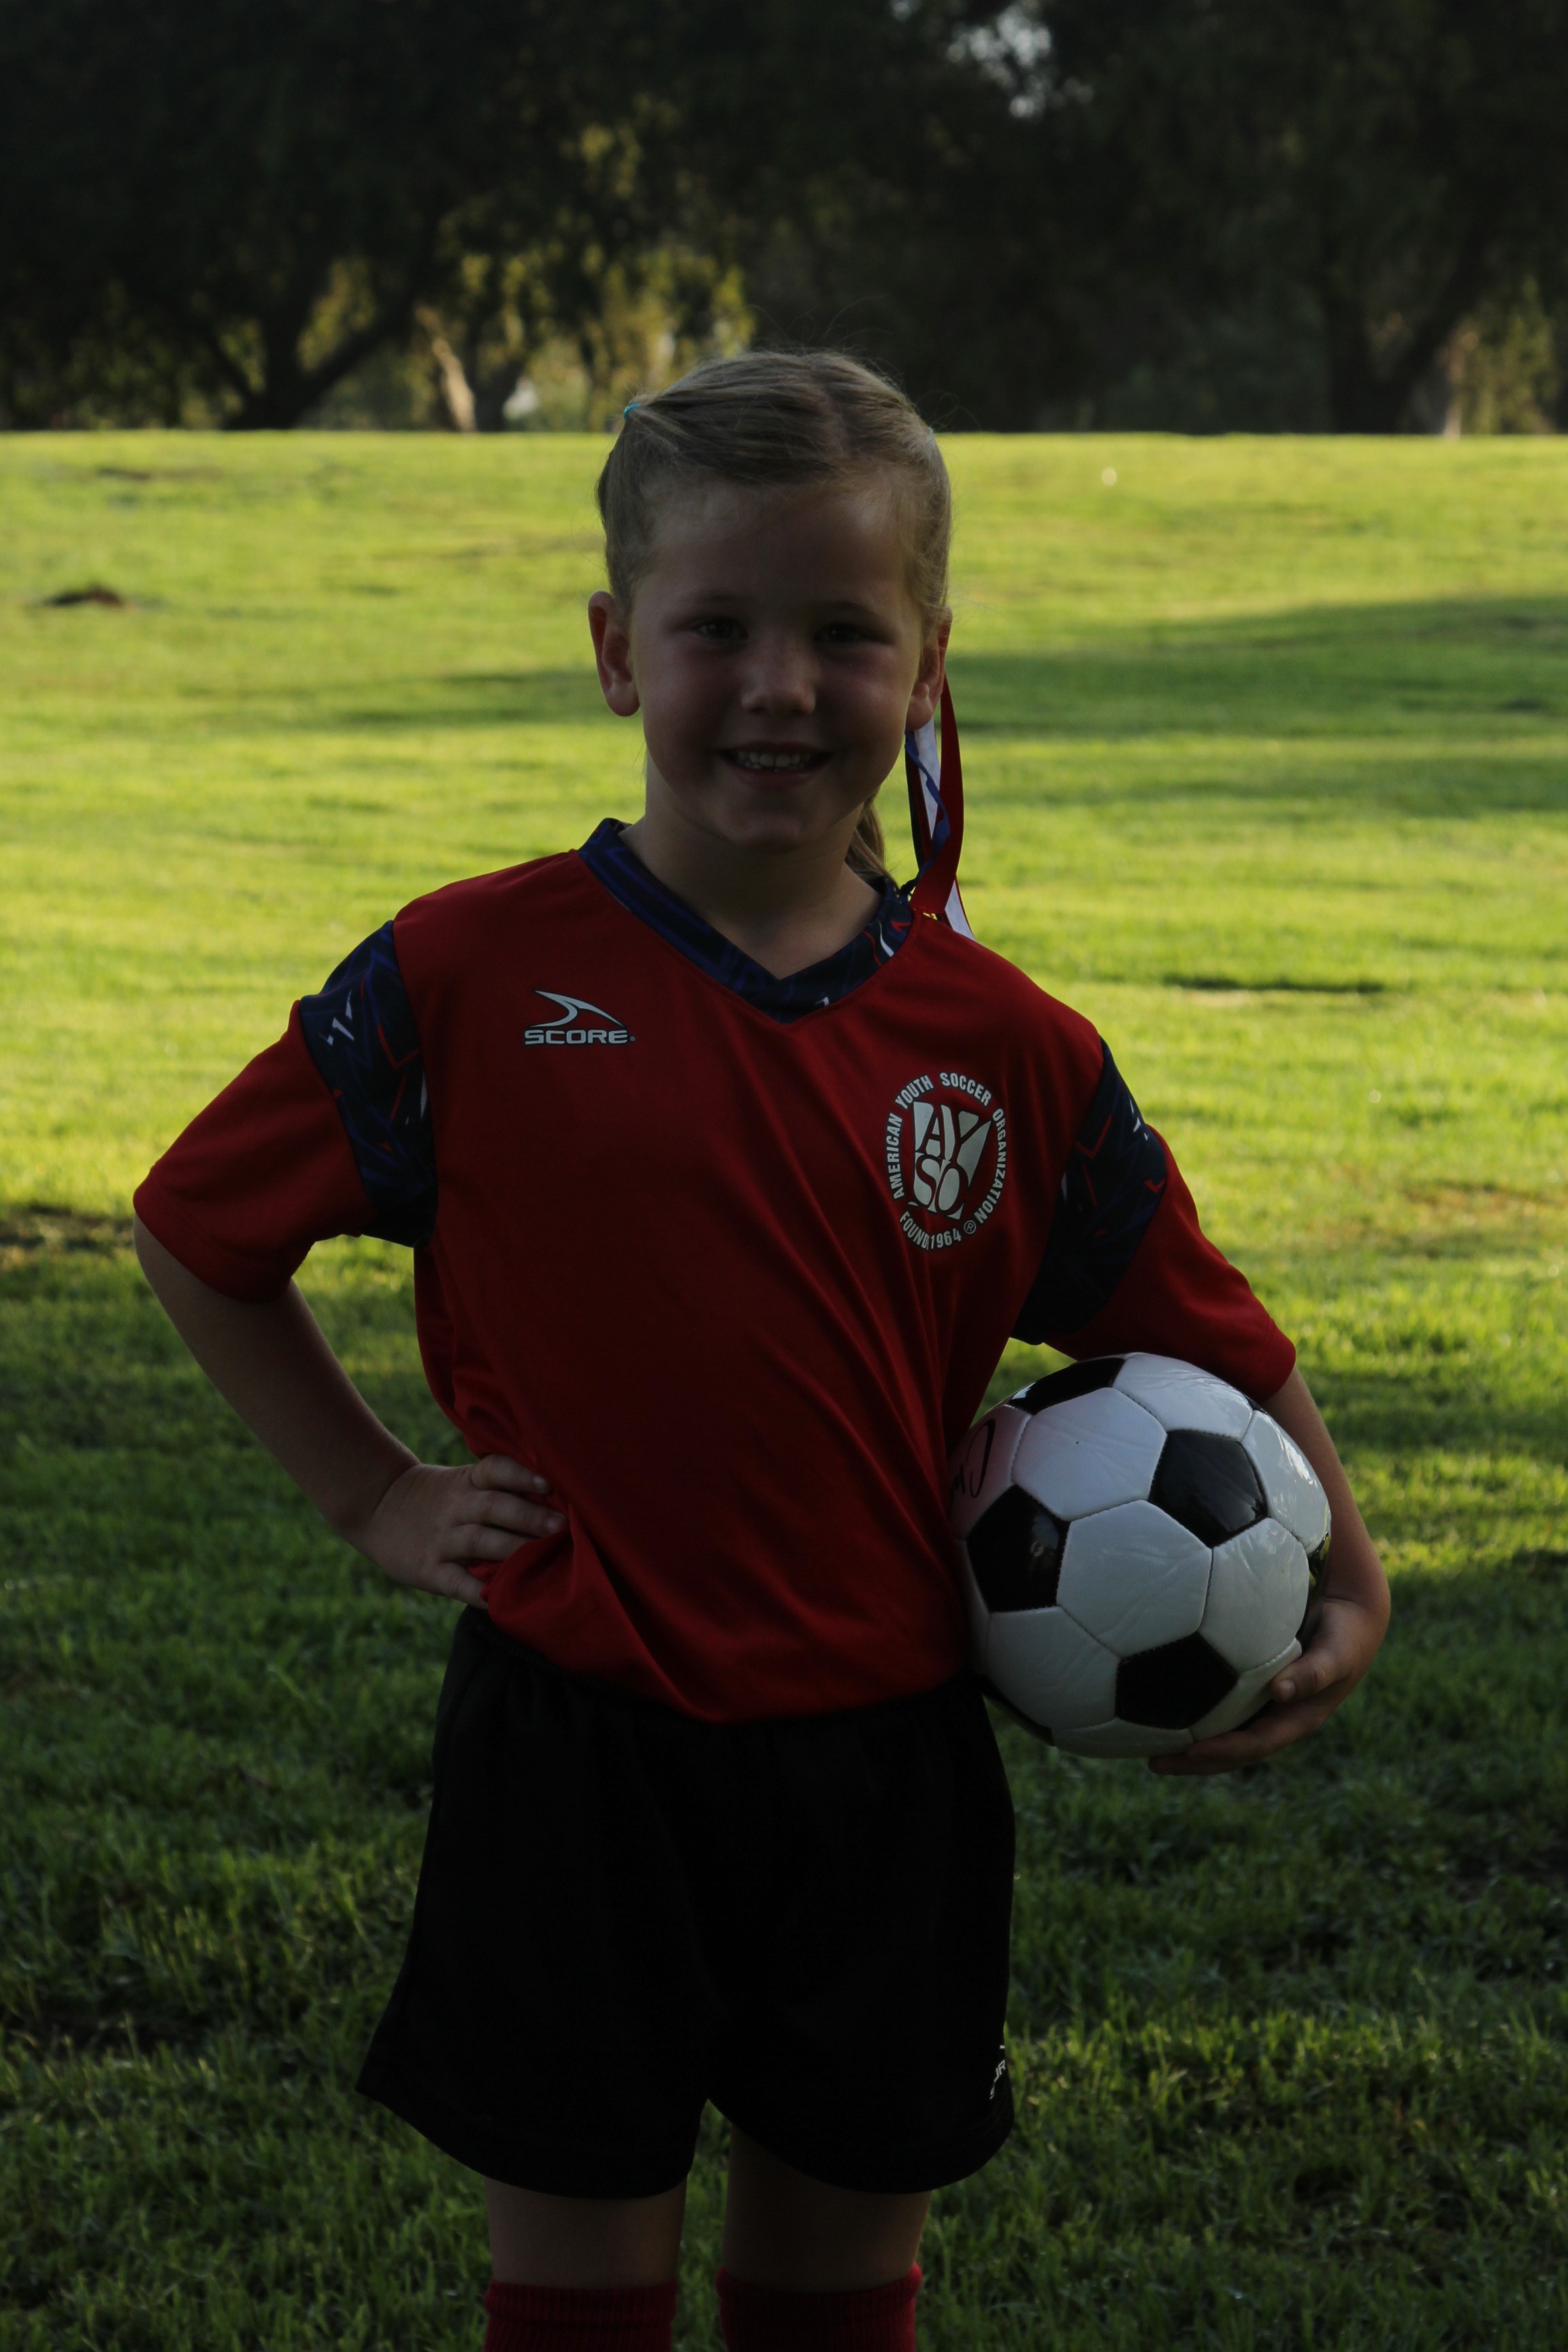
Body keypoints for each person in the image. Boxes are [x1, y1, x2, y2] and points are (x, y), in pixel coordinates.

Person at [132, 350, 1390, 2352]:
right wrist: (372, 1494)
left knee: (839, 2288)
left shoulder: (1007, 1046)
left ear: (930, 664)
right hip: (577, 1748)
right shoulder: (468, 976)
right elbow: (202, 1230)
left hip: (888, 1768)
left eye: (845, 635)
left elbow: (1200, 1324)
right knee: (575, 2292)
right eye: (717, 627)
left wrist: (1350, 1566)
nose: (781, 687)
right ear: (615, 650)